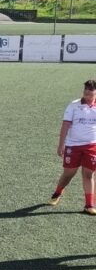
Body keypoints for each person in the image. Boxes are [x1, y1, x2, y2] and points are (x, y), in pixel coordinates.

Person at [47, 79, 96, 215]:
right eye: (85, 93)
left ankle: (89, 205)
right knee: (69, 173)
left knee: (88, 174)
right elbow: (65, 126)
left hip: (92, 145)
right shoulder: (73, 106)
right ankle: (57, 193)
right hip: (73, 145)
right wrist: (61, 145)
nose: (87, 97)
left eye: (91, 94)